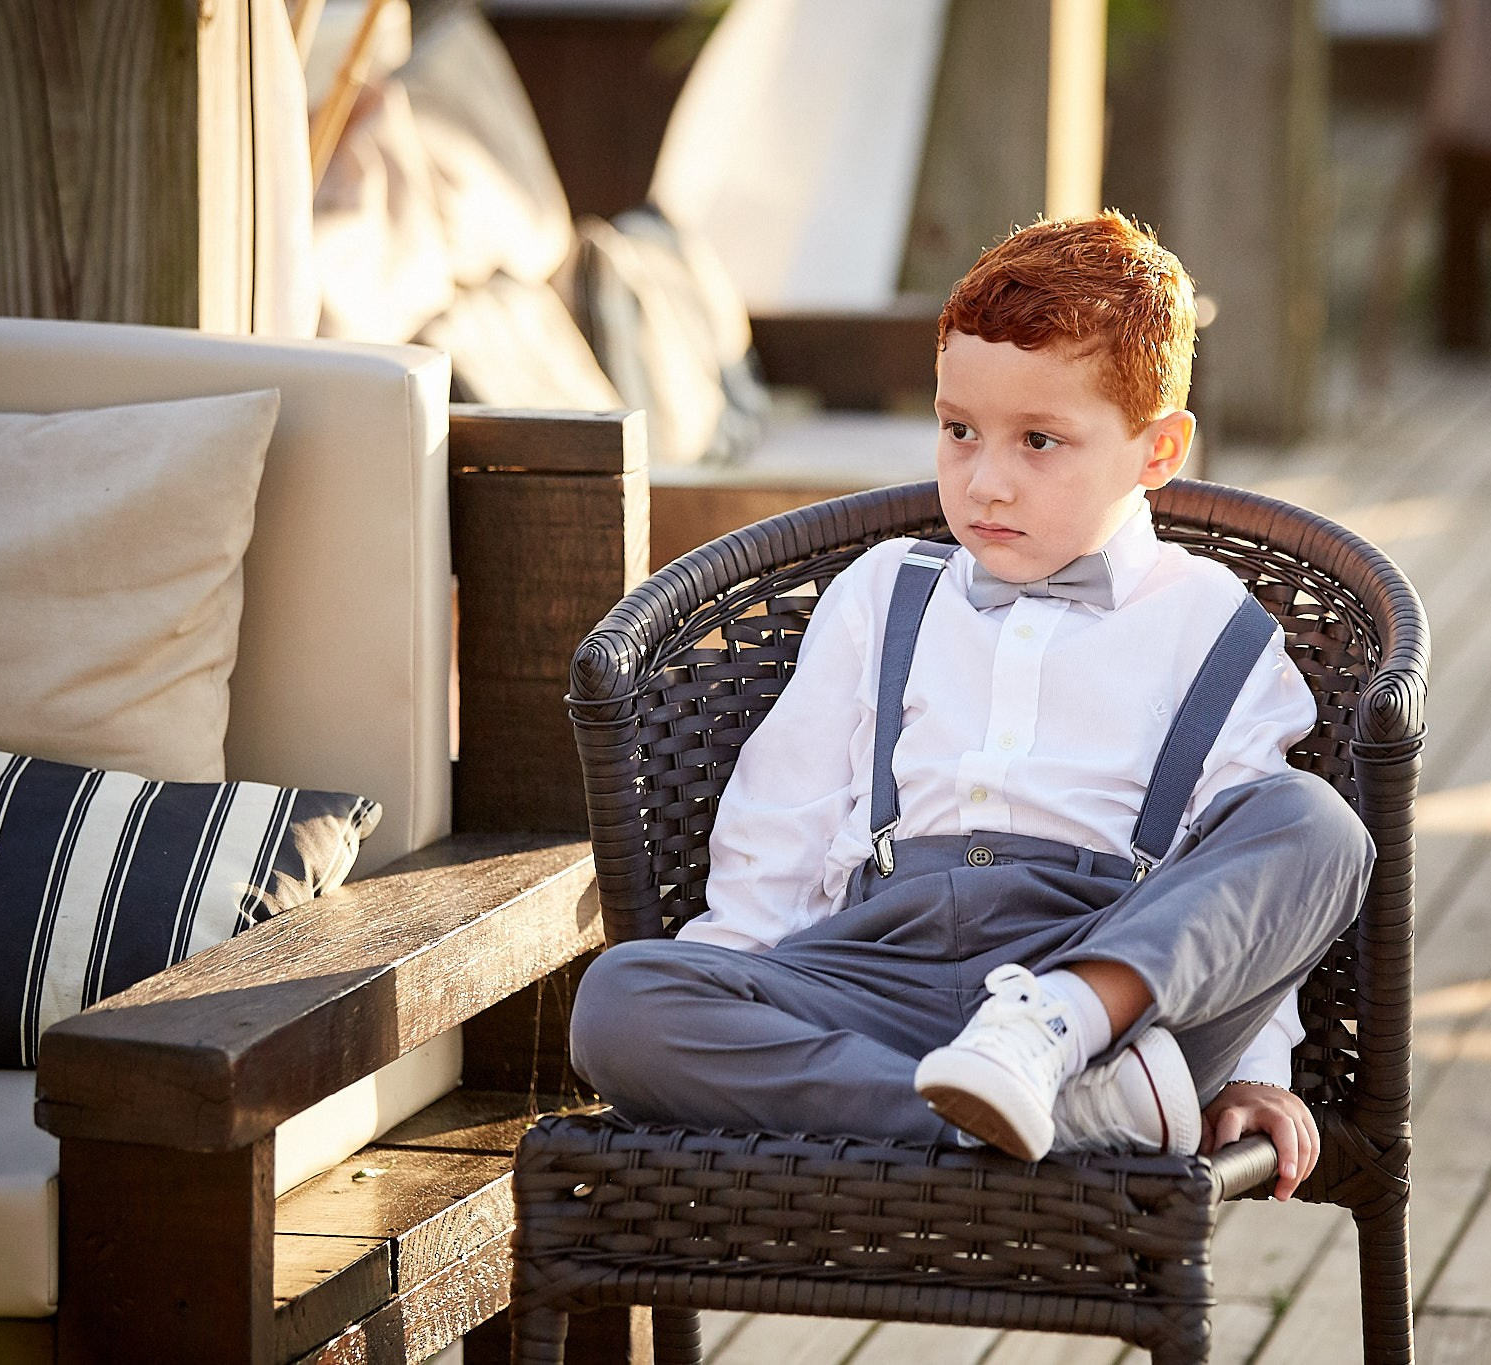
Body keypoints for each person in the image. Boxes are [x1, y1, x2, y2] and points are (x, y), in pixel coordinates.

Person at [570, 211, 1373, 1200]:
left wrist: (1254, 1073)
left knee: (1316, 826)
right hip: (881, 969)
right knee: (620, 1001)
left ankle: (1048, 1056)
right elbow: (778, 828)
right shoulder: (883, 590)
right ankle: (1061, 1125)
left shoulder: (1217, 625)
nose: (984, 481)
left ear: (1157, 450)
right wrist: (735, 995)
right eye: (958, 432)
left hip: (1101, 977)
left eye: (1039, 440)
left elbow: (1242, 910)